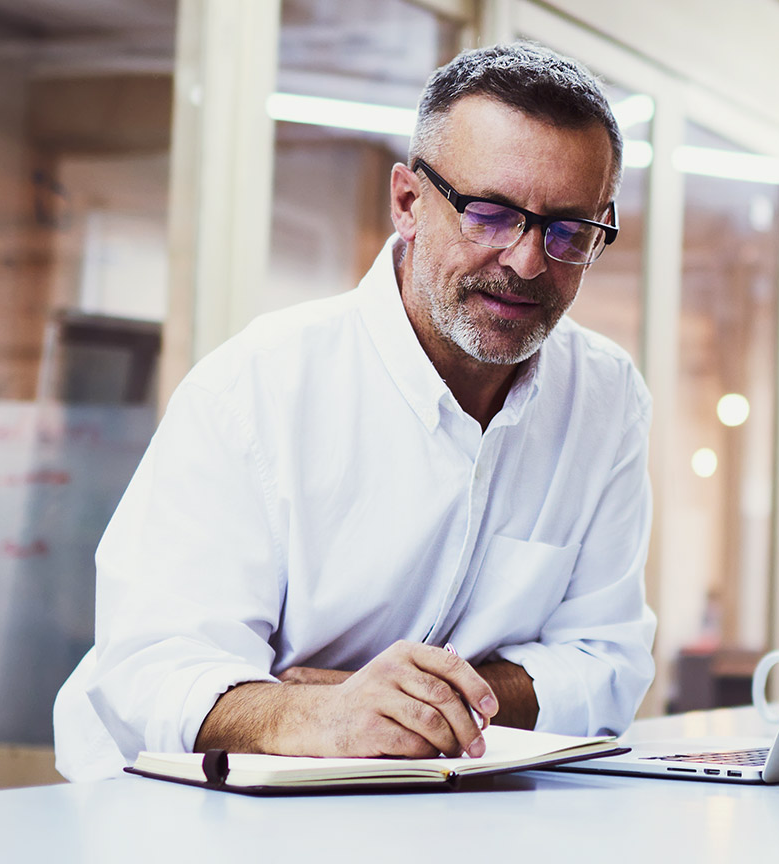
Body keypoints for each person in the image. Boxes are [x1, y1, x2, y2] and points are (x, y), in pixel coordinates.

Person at [52, 42, 657, 782]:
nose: (529, 262)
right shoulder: (256, 390)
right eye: (492, 215)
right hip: (184, 819)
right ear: (407, 202)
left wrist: (394, 701)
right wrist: (313, 713)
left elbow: (606, 668)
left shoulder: (606, 397)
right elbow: (149, 670)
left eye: (568, 232)